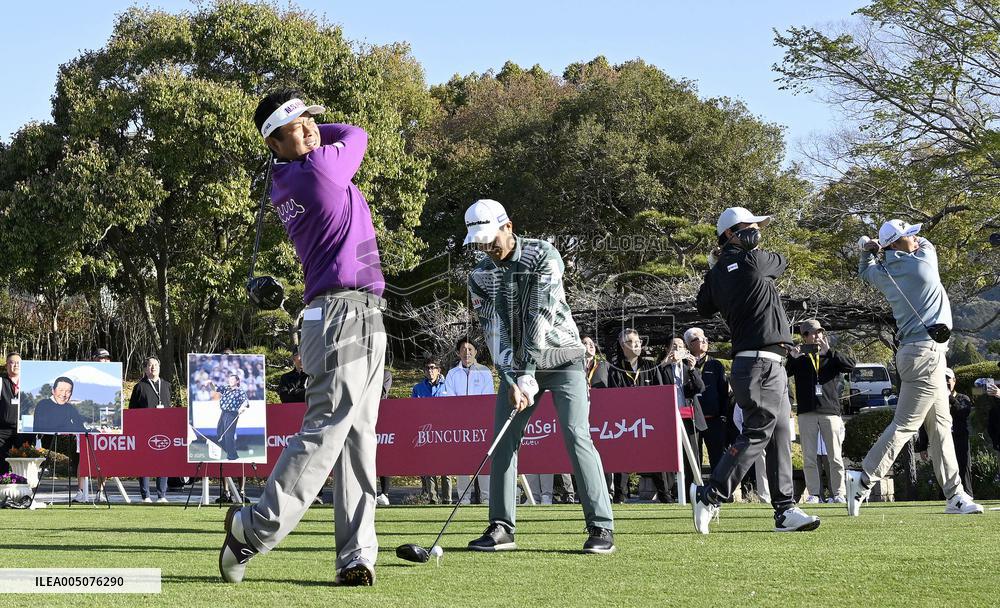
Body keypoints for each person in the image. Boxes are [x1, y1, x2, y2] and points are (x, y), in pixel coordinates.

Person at [220, 91, 387, 587]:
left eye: (312, 119)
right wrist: (321, 132)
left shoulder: (297, 172)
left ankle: (356, 555)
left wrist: (302, 126)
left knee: (359, 437)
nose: (314, 128)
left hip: (360, 312)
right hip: (341, 313)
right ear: (274, 140)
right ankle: (252, 528)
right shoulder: (318, 172)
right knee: (328, 429)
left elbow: (335, 138)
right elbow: (356, 133)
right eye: (299, 124)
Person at [462, 198, 615, 554]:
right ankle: (501, 527)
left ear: (508, 226)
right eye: (480, 243)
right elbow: (493, 332)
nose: (487, 248)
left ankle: (601, 528)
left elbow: (538, 314)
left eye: (491, 239)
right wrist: (513, 377)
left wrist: (527, 373)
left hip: (563, 360)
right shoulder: (480, 277)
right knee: (503, 440)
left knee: (577, 436)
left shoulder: (543, 254)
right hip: (518, 369)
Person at [691, 206, 820, 534]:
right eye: (751, 226)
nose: (757, 231)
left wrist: (717, 266)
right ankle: (712, 494)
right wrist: (730, 259)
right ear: (731, 233)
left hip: (765, 363)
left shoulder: (720, 271)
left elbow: (703, 304)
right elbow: (782, 260)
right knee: (759, 430)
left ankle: (785, 509)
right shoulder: (755, 260)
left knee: (779, 435)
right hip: (761, 363)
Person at [851, 221, 982, 516]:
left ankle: (955, 495)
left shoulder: (884, 273)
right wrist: (878, 247)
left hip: (917, 353)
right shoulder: (924, 261)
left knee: (940, 428)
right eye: (908, 234)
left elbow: (864, 271)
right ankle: (863, 479)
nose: (914, 236)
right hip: (925, 354)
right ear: (899, 242)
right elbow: (927, 242)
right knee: (906, 425)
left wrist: (868, 250)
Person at [785, 320, 854, 503]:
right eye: (813, 333)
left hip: (830, 411)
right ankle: (814, 493)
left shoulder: (831, 356)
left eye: (820, 332)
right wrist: (792, 357)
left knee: (835, 456)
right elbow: (785, 374)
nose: (817, 336)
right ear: (804, 336)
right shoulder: (800, 358)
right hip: (807, 411)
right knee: (809, 456)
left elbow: (851, 365)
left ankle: (838, 493)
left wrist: (830, 352)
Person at [607, 329, 668, 502]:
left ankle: (665, 496)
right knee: (622, 459)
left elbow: (660, 391)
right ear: (622, 345)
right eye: (631, 342)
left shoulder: (650, 366)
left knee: (657, 459)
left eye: (638, 342)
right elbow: (612, 395)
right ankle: (620, 496)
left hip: (649, 421)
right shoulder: (615, 368)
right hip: (625, 422)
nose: (636, 345)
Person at [443, 337, 495, 505]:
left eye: (470, 349)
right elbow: (450, 399)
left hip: (481, 424)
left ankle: (486, 497)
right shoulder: (452, 374)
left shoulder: (485, 371)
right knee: (462, 461)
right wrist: (460, 416)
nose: (467, 352)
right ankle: (464, 498)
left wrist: (476, 415)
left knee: (484, 460)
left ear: (476, 352)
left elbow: (487, 398)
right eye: (464, 350)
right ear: (459, 353)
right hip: (459, 425)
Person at [916, 368, 974, 496]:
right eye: (942, 380)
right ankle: (947, 498)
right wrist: (923, 446)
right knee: (943, 469)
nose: (945, 383)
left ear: (954, 381)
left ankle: (968, 496)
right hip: (941, 440)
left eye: (947, 380)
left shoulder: (963, 398)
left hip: (959, 440)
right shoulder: (934, 401)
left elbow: (962, 412)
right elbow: (926, 423)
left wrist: (948, 397)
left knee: (963, 468)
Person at [660, 337, 706, 498]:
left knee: (692, 455)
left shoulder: (689, 367)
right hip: (668, 418)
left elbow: (700, 388)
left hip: (689, 417)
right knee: (669, 455)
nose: (677, 349)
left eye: (680, 346)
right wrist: (665, 363)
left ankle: (693, 491)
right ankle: (670, 492)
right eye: (673, 346)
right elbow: (654, 384)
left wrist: (693, 369)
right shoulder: (663, 368)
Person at [684, 328, 731, 472]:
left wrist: (723, 415)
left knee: (718, 457)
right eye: (699, 339)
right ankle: (694, 490)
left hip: (714, 419)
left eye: (705, 338)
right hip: (691, 419)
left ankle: (720, 492)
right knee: (693, 458)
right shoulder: (683, 365)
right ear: (689, 344)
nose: (704, 341)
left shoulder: (715, 364)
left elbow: (724, 391)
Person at [129, 356, 172, 503]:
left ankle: (162, 495)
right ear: (145, 369)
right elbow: (132, 412)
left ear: (159, 367)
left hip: (164, 430)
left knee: (164, 463)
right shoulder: (139, 387)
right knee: (145, 463)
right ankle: (145, 495)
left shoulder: (166, 385)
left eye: (155, 365)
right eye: (149, 365)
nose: (153, 367)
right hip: (144, 431)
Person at [411, 357, 451, 504]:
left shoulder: (448, 385)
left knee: (445, 469)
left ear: (438, 370)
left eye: (433, 367)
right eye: (427, 368)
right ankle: (433, 499)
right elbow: (414, 412)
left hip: (444, 432)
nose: (430, 370)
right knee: (429, 468)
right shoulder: (418, 389)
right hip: (426, 432)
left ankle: (447, 500)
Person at [75, 348, 112, 503]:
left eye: (106, 358)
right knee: (83, 457)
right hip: (84, 421)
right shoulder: (83, 376)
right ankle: (81, 491)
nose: (104, 361)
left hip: (105, 420)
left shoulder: (112, 377)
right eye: (101, 358)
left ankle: (100, 491)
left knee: (103, 457)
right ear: (94, 359)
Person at [216, 372, 250, 461]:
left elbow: (245, 401)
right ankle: (232, 453)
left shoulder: (240, 391)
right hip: (223, 413)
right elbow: (215, 388)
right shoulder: (226, 388)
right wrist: (210, 383)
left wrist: (242, 407)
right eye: (229, 379)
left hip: (232, 414)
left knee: (228, 435)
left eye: (232, 379)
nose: (230, 381)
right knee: (219, 434)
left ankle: (232, 456)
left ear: (237, 381)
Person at [0, 352, 21, 474]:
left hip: (22, 430)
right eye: (12, 362)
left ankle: (24, 492)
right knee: (1, 462)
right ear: (7, 365)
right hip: (2, 430)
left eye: (18, 363)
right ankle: (2, 491)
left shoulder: (29, 382)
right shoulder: (1, 382)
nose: (15, 365)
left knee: (22, 462)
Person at [377, 364, 393, 506]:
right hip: (361, 416)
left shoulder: (385, 374)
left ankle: (384, 493)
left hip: (381, 417)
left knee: (382, 455)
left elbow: (381, 394)